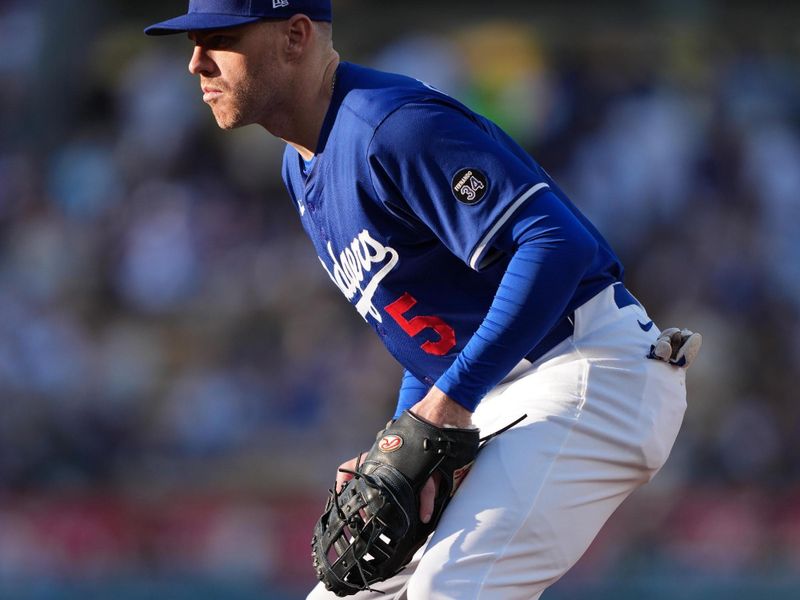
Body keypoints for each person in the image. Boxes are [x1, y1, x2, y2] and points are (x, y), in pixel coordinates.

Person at [146, 2, 700, 598]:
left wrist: (447, 405)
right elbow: (426, 333)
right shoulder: (300, 163)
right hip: (500, 393)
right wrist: (407, 436)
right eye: (194, 41)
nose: (196, 61)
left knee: (453, 586)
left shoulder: (390, 126)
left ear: (296, 36)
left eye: (220, 39)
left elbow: (554, 241)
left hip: (589, 366)